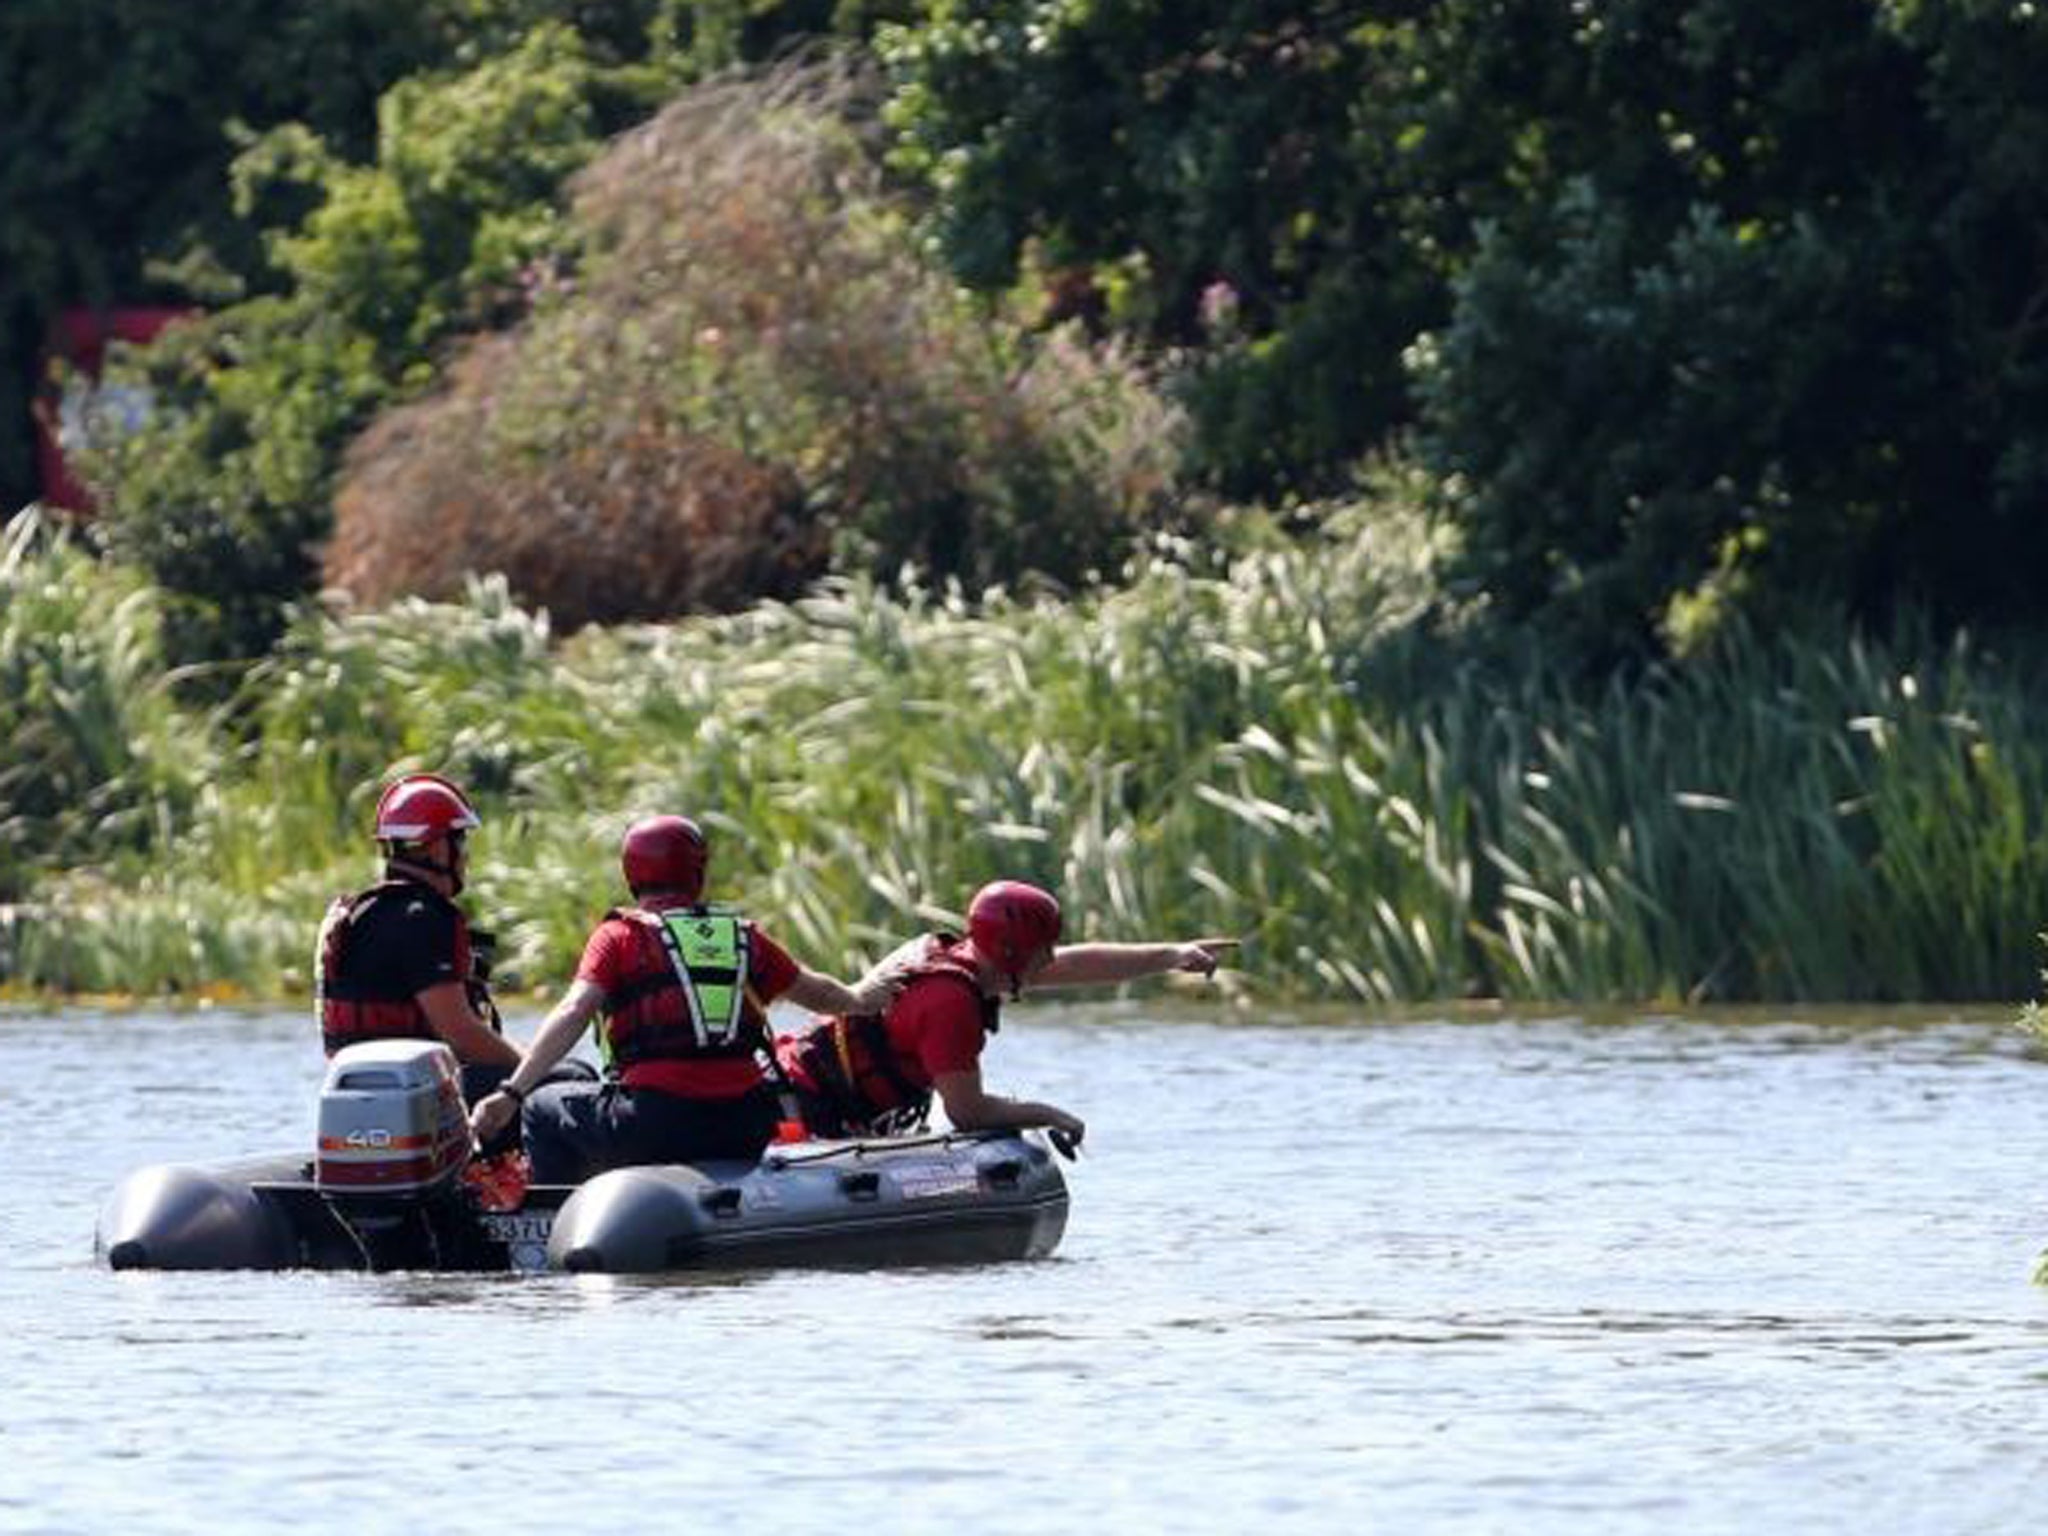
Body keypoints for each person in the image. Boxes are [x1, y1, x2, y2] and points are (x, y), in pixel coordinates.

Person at [469, 814, 904, 1183]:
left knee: (544, 1108)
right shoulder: (743, 936)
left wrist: (510, 1092)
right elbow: (821, 993)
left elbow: (574, 1010)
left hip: (657, 1123)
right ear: (697, 872)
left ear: (631, 875)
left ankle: (552, 1226)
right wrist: (863, 997)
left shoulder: (619, 937)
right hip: (745, 1124)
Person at [775, 879, 1233, 1149]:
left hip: (815, 1088)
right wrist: (1052, 1115)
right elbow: (968, 1112)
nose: (1052, 957)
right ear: (1012, 951)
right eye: (1044, 948)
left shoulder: (972, 961)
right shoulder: (950, 1003)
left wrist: (1171, 955)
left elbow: (1080, 963)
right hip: (804, 1102)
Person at [315, 772, 522, 1106]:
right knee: (567, 1077)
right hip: (421, 1096)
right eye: (460, 841)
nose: (465, 855)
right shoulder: (424, 918)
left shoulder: (360, 913)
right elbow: (462, 1034)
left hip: (356, 1096)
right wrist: (530, 1070)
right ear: (438, 848)